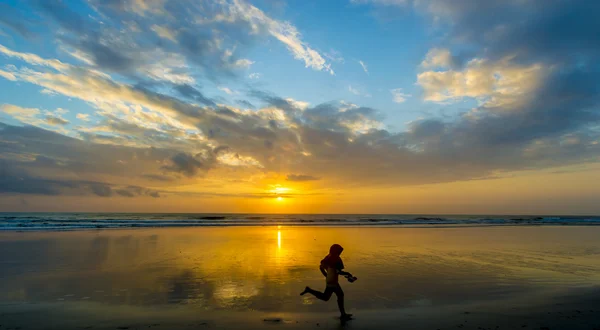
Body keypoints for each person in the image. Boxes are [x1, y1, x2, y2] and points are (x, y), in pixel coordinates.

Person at [300, 244, 354, 320]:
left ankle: (309, 290)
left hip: (329, 280)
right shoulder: (336, 259)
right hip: (333, 281)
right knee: (339, 295)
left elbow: (321, 267)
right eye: (339, 251)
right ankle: (343, 314)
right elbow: (338, 271)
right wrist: (348, 274)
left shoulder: (328, 257)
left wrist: (326, 275)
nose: (340, 253)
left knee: (326, 297)